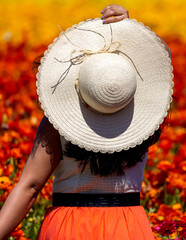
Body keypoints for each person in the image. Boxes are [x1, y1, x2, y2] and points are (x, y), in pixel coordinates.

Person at [0, 4, 173, 240]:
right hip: (128, 227)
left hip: (68, 226)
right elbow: (162, 58)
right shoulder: (147, 121)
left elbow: (30, 187)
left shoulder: (57, 124)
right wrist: (130, 29)